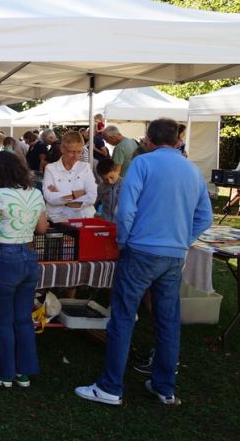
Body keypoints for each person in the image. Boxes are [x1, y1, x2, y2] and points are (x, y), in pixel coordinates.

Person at [75, 118, 212, 406]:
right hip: (173, 256)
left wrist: (125, 241)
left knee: (123, 317)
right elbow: (205, 217)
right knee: (168, 321)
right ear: (177, 141)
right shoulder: (192, 170)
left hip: (140, 251)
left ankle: (111, 387)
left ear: (147, 140)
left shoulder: (143, 164)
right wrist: (182, 239)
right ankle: (165, 387)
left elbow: (126, 210)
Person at [0, 151, 48, 387]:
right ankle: (23, 372)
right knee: (23, 319)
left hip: (5, 257)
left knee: (3, 319)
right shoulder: (36, 193)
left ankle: (4, 372)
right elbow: (42, 228)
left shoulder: (0, 194)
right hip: (28, 257)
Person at [42, 130, 97, 221]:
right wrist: (75, 194)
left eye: (79, 152)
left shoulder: (85, 168)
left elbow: (92, 197)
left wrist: (62, 198)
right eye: (72, 152)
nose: (76, 156)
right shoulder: (50, 169)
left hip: (82, 218)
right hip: (57, 219)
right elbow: (49, 196)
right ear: (62, 149)